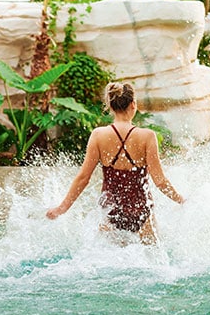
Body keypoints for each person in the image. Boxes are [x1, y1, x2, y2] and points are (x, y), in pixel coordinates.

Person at [46, 81, 184, 244]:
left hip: (110, 211)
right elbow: (160, 181)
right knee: (150, 256)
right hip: (142, 212)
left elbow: (83, 178)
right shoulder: (147, 136)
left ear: (110, 106)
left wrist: (61, 208)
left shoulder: (98, 135)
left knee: (110, 257)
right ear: (133, 104)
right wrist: (181, 200)